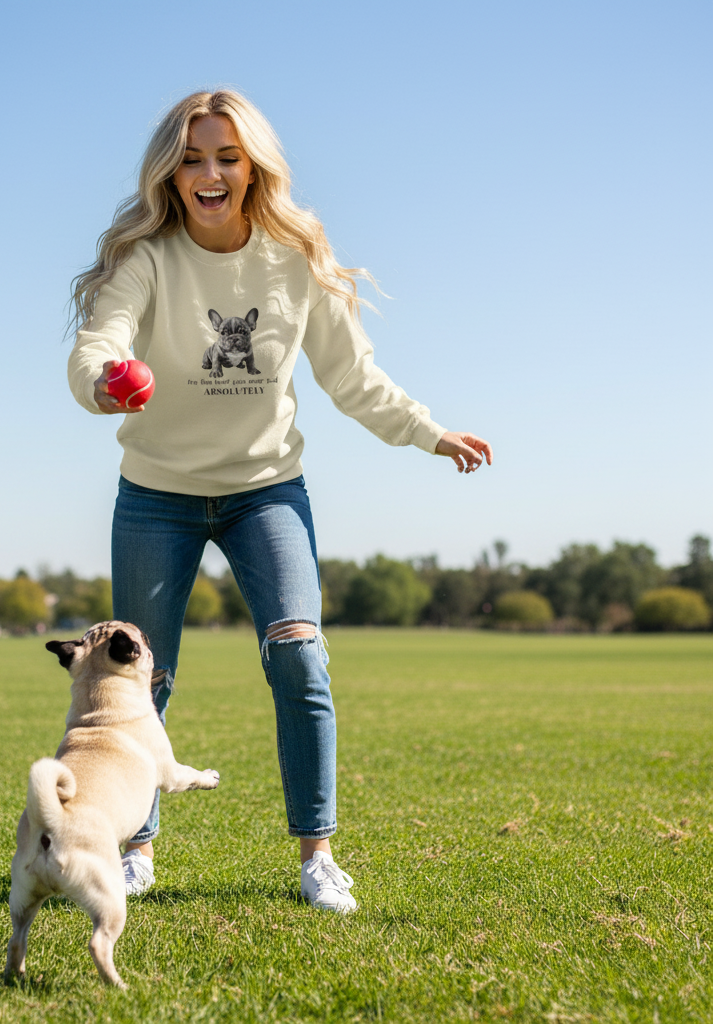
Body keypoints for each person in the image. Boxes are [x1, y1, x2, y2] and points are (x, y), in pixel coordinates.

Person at [66, 90, 492, 913]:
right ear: (170, 172)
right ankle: (135, 850)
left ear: (253, 166)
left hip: (266, 491)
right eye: (192, 158)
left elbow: (353, 377)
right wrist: (102, 384)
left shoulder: (293, 260)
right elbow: (101, 342)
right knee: (137, 682)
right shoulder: (149, 260)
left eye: (226, 156)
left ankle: (317, 859)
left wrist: (427, 431)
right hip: (158, 493)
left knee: (299, 651)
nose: (209, 173)